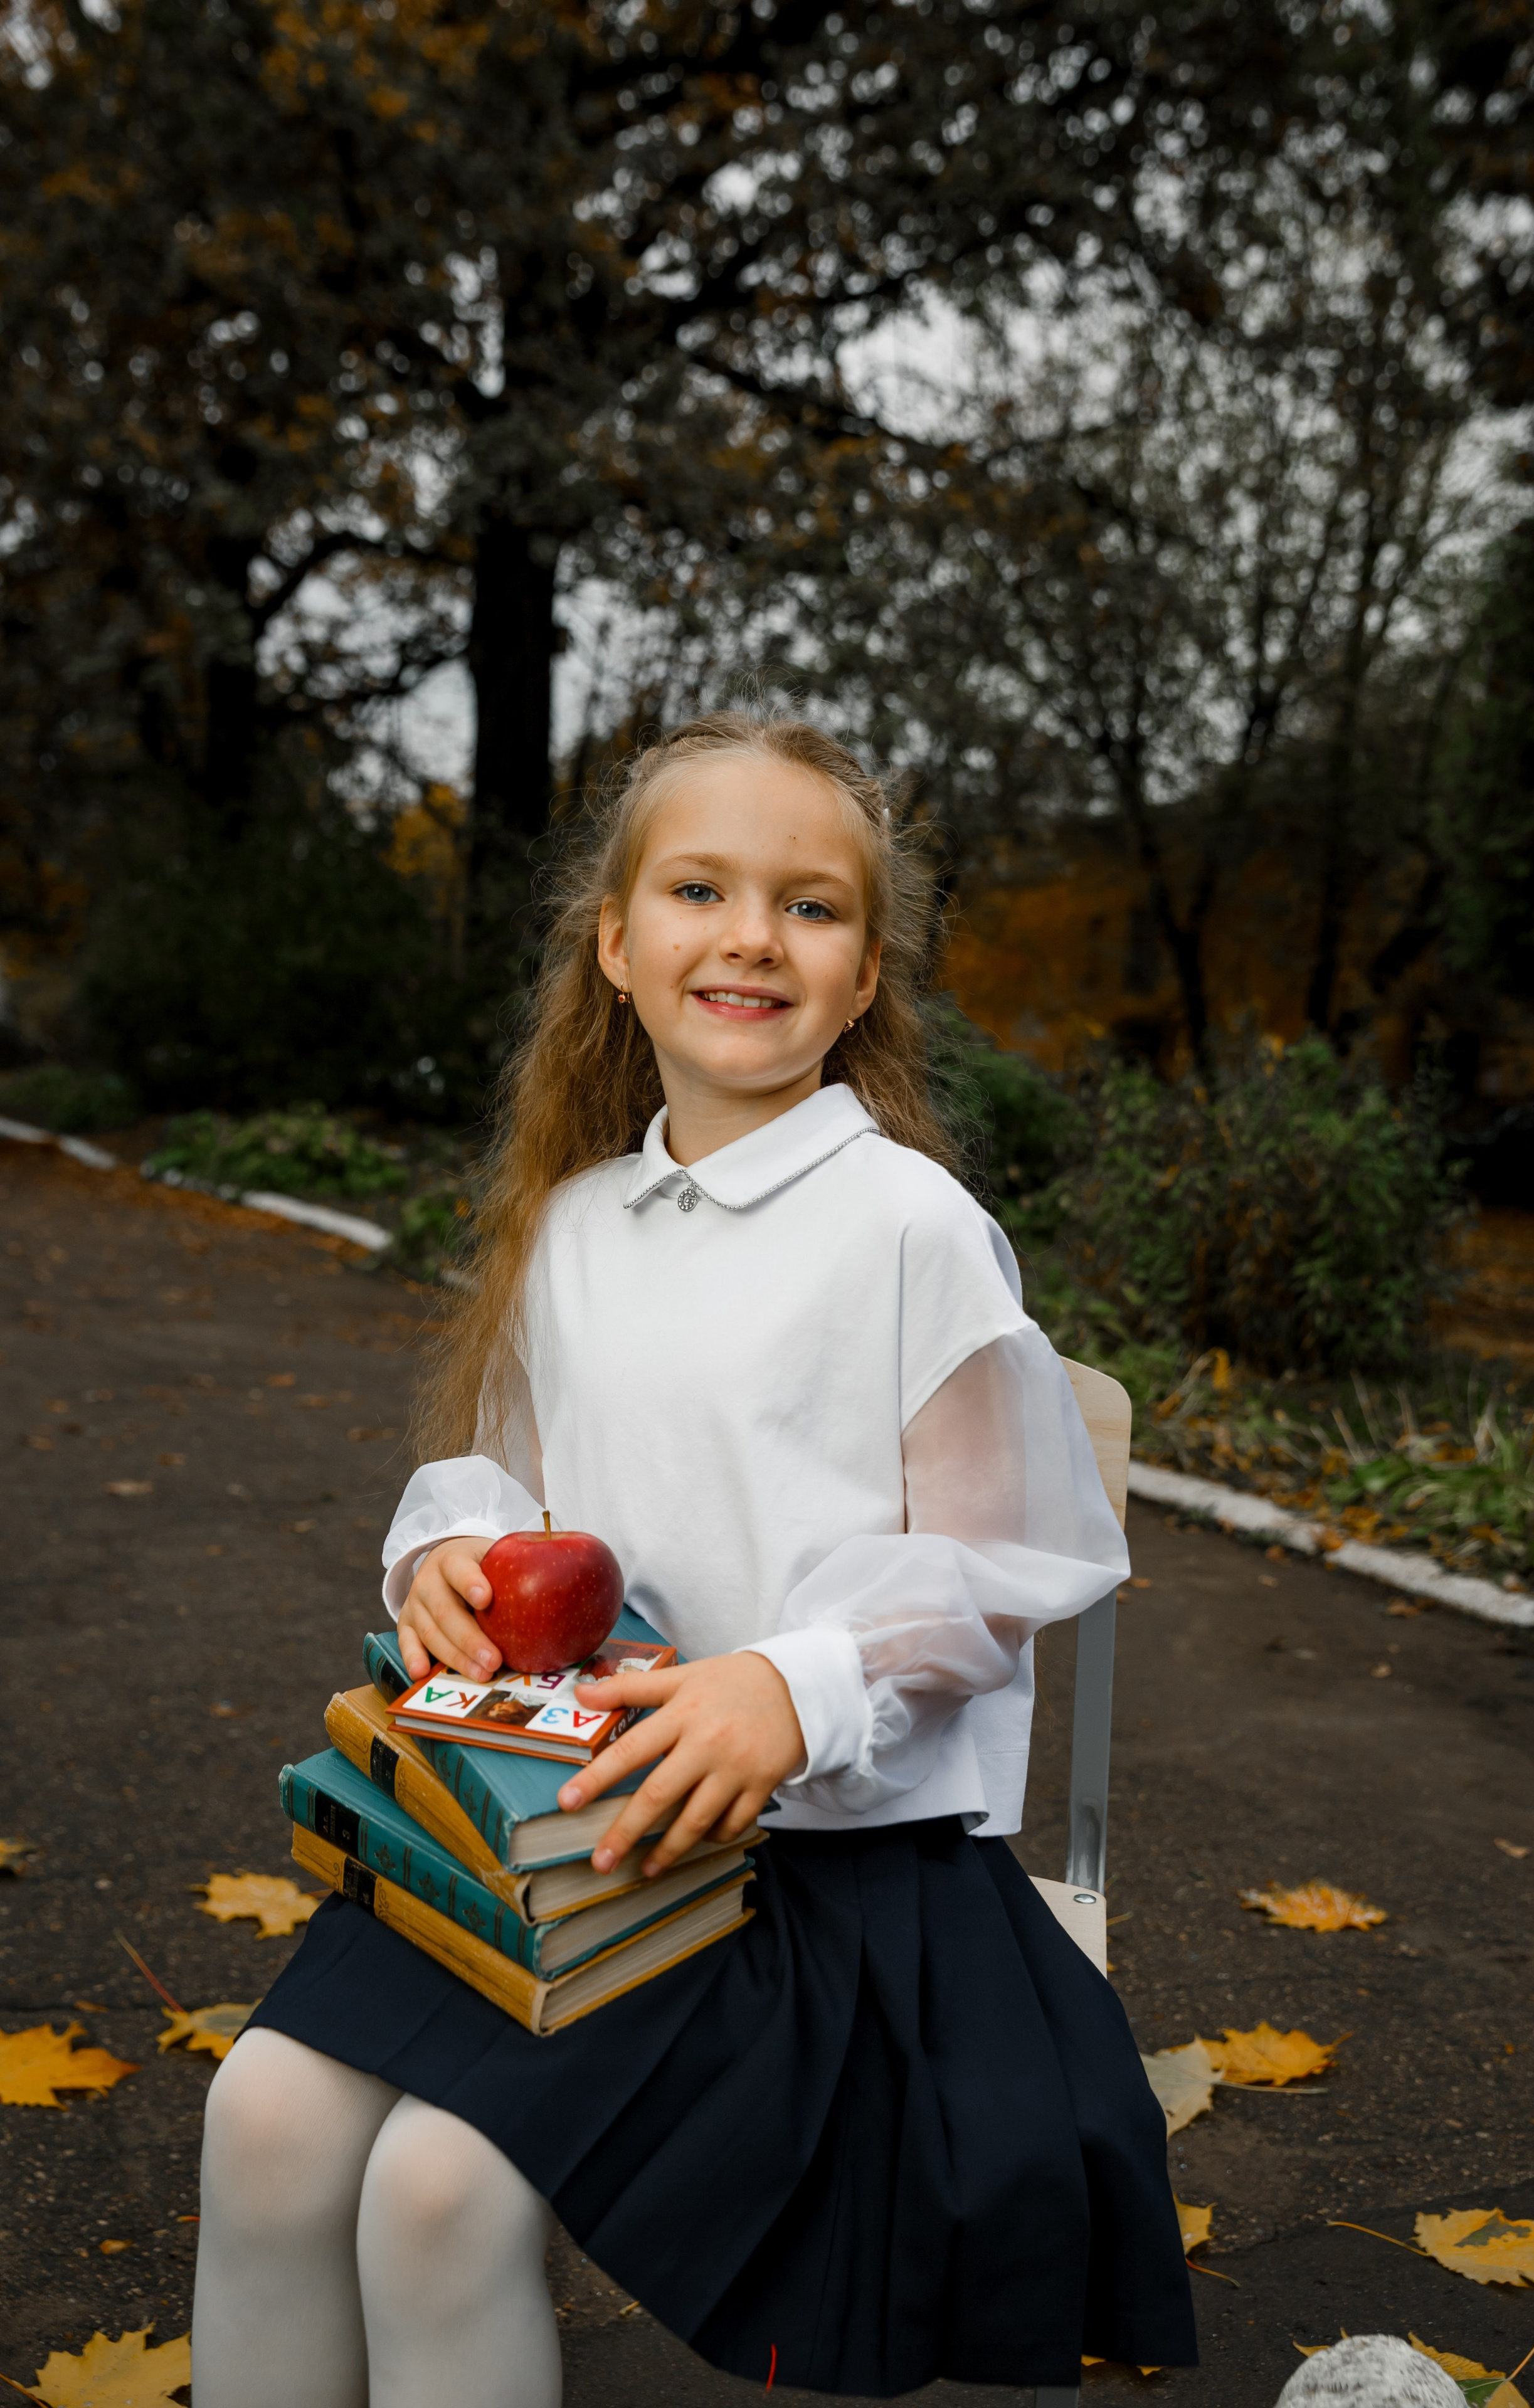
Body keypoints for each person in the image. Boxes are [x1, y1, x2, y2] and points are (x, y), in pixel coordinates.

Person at [190, 710, 1196, 2407]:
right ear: (618, 941)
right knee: (263, 2117)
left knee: (438, 2184)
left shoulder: (908, 1227)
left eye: (808, 906)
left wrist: (790, 1688)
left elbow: (1014, 1556)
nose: (750, 933)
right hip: (570, 1826)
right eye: (701, 887)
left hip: (803, 1880)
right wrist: (452, 1555)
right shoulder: (578, 1223)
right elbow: (510, 1488)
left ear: (866, 973)